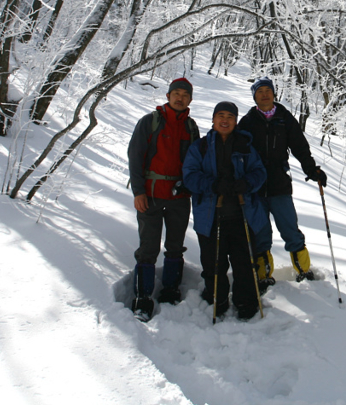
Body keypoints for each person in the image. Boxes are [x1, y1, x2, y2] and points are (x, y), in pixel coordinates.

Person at [237, 77, 327, 289]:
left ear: (274, 94)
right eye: (260, 92)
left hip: (279, 184)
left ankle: (303, 271)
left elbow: (299, 147)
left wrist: (312, 170)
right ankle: (263, 275)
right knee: (260, 233)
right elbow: (237, 152)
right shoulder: (248, 121)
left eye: (268, 90)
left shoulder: (284, 118)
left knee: (290, 229)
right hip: (255, 187)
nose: (265, 94)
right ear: (254, 96)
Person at [183, 101, 268, 321]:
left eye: (230, 117)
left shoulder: (245, 145)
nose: (225, 120)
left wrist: (246, 183)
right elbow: (190, 175)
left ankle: (245, 301)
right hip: (211, 215)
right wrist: (211, 185)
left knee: (244, 263)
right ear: (213, 119)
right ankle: (216, 298)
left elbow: (259, 172)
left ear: (235, 121)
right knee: (213, 263)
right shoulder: (200, 147)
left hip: (242, 214)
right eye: (220, 115)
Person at [126, 77, 199, 321]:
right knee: (148, 247)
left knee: (175, 246)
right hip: (151, 194)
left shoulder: (191, 127)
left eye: (185, 95)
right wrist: (138, 191)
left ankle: (170, 290)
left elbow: (195, 162)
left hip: (179, 196)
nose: (180, 98)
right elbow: (135, 156)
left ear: (190, 99)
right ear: (168, 96)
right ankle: (142, 298)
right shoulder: (150, 122)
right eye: (176, 93)